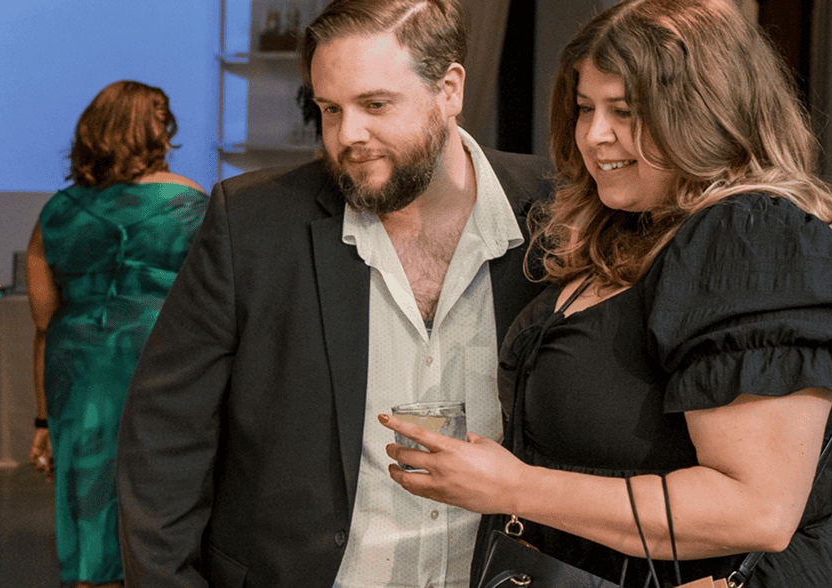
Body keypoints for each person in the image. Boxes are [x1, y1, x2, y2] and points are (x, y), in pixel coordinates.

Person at [379, 0, 832, 586]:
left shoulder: (749, 236)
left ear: (706, 114)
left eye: (625, 111)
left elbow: (757, 511)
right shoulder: (631, 229)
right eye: (585, 108)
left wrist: (510, 485)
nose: (596, 136)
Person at [113, 1, 555, 586]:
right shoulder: (250, 222)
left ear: (449, 89)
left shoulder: (558, 212)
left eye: (375, 105)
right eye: (329, 109)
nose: (348, 136)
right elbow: (163, 438)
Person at [26, 80, 208, 588]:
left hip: (77, 374)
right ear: (156, 132)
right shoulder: (189, 201)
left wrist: (42, 420)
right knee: (161, 506)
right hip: (160, 364)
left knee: (88, 512)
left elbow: (44, 325)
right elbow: (221, 307)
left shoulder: (55, 213)